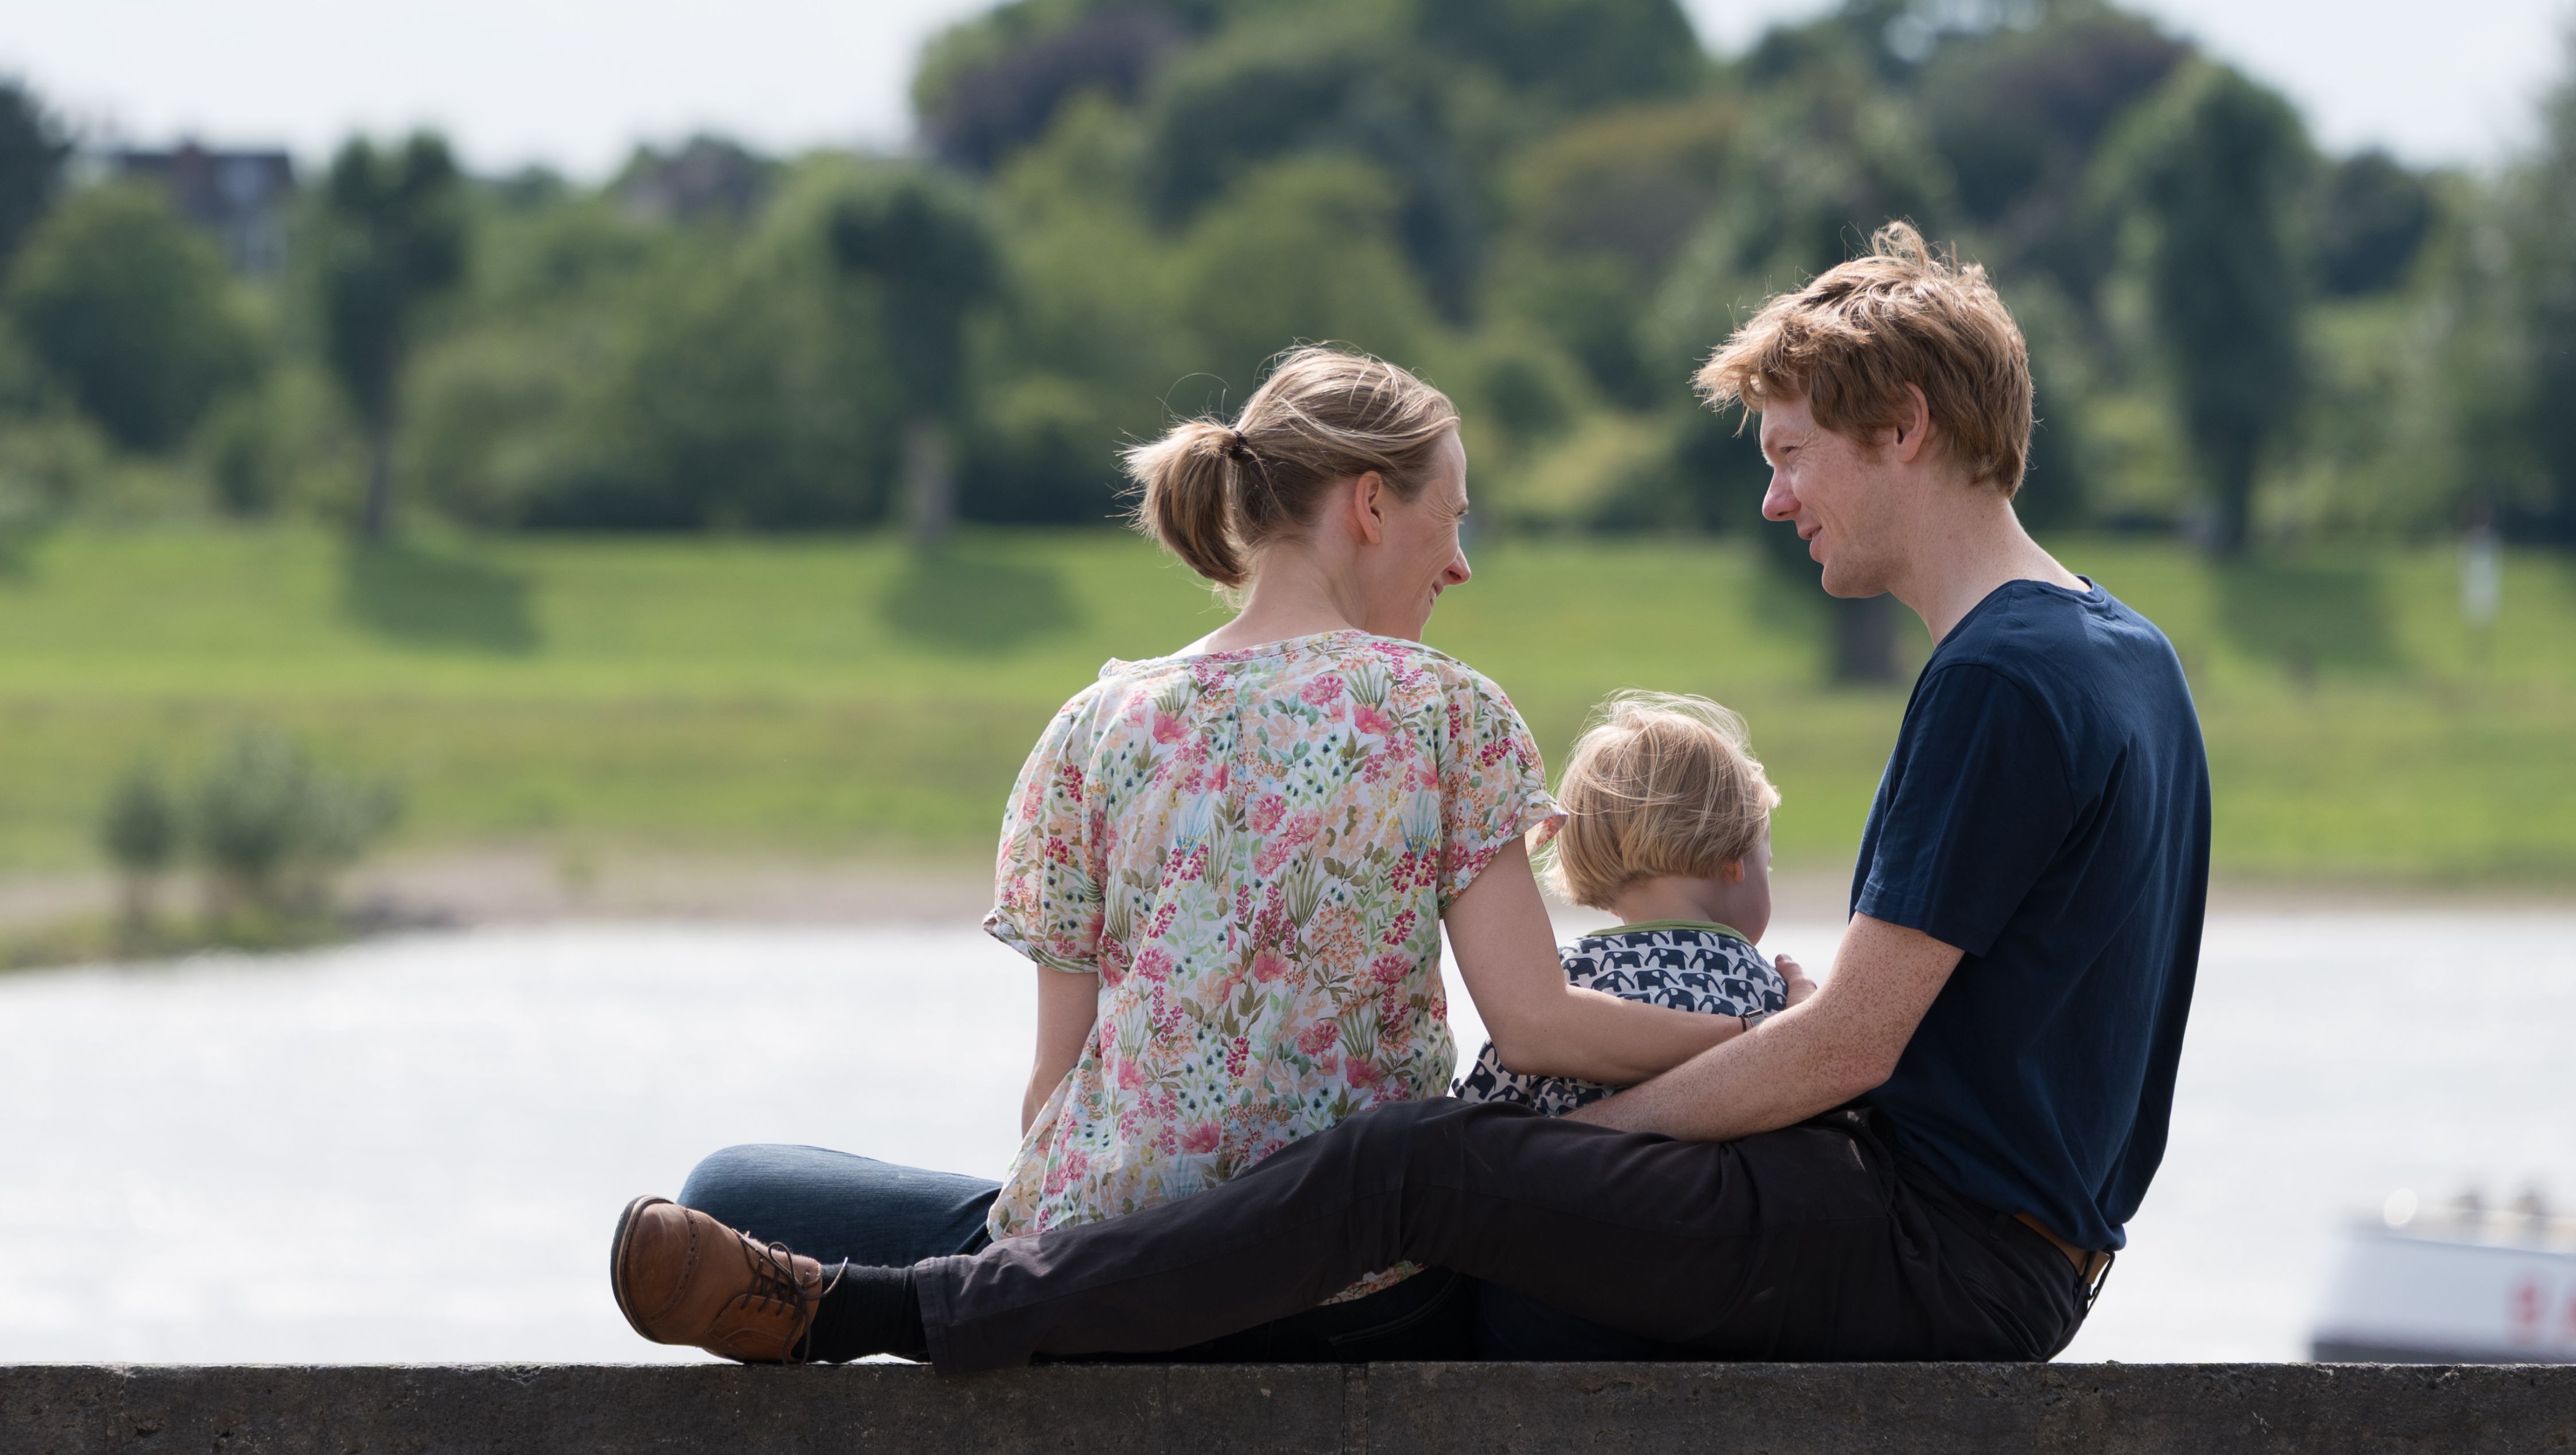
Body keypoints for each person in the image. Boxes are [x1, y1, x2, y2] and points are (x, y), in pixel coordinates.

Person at [604, 220, 2210, 1370]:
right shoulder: (2120, 648)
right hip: (2004, 1237)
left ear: (1906, 427)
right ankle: (863, 1289)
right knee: (1434, 1173)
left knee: (1413, 1162)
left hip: (1942, 1244)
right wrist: (1558, 1161)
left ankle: (879, 1316)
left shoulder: (1999, 675)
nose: (1777, 494)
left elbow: (1856, 1041)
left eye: (1792, 453)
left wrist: (1563, 1161)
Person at [608, 347, 1790, 1365]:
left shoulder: (1095, 721)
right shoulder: (1441, 706)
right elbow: (1538, 1027)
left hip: (1093, 1258)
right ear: (1371, 505)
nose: (1460, 560)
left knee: (729, 1186)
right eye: (1456, 515)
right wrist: (1762, 1043)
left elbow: (1050, 1094)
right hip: (1346, 1292)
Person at [1453, 690, 1792, 1119]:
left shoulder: (1565, 979)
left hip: (1575, 1183)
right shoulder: (1775, 993)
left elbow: (1481, 1108)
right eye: (1767, 862)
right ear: (1733, 861)